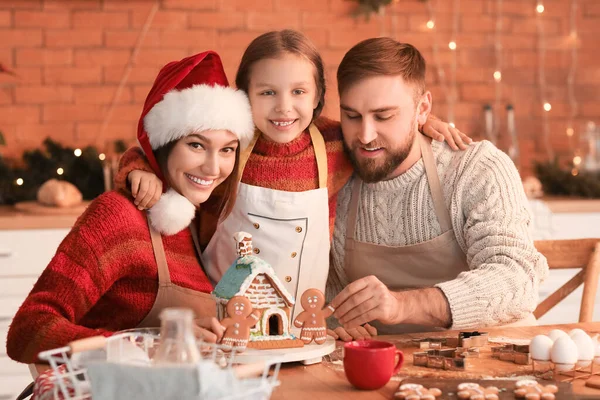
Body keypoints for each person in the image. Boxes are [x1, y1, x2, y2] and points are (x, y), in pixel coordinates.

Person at [114, 30, 469, 326]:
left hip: (306, 328)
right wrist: (140, 169)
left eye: (298, 92)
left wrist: (423, 123)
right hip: (226, 325)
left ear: (317, 98)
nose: (284, 107)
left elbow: (377, 132)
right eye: (267, 92)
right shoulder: (228, 145)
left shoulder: (334, 143)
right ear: (243, 98)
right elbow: (159, 150)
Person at [6, 51, 255, 363]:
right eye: (196, 145)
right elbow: (28, 332)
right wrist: (151, 343)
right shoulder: (118, 217)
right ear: (164, 143)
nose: (213, 167)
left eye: (227, 149)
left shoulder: (202, 219)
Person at [327, 37, 549, 338]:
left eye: (384, 116)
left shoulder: (477, 169)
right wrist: (332, 326)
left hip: (493, 360)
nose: (365, 135)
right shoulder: (333, 173)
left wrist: (402, 306)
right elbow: (325, 296)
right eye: (352, 116)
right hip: (385, 368)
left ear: (423, 109)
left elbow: (516, 278)